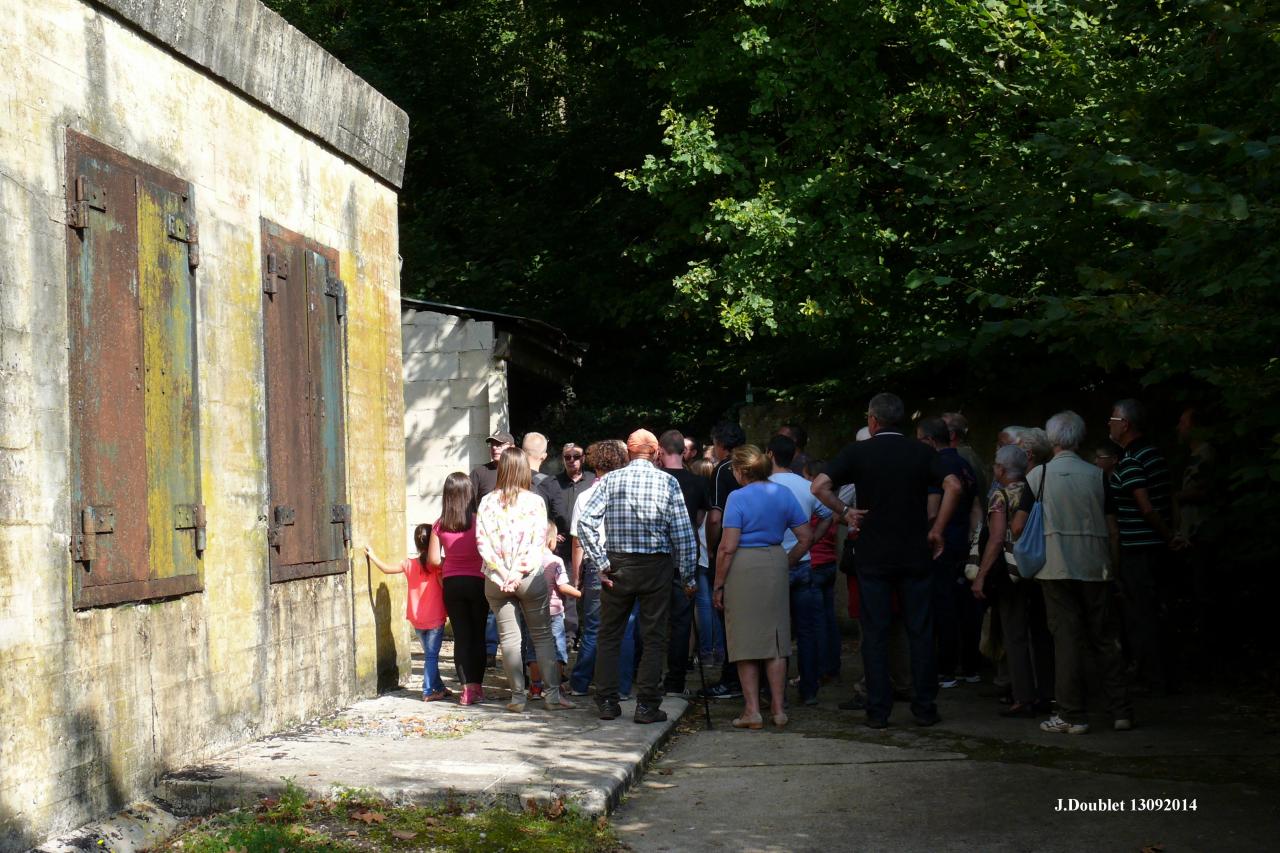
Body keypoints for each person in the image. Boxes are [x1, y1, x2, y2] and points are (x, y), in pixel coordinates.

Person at [812, 393, 963, 729]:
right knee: (920, 631)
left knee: (876, 632)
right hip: (914, 552)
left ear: (873, 421)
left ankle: (878, 710)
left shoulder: (859, 452)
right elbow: (953, 485)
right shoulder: (921, 452)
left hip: (873, 554)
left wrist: (846, 512)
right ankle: (924, 707)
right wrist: (937, 529)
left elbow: (819, 485)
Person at [576, 429, 697, 724]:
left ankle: (606, 701)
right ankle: (646, 706)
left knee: (610, 634)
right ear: (655, 452)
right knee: (654, 636)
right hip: (656, 566)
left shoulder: (611, 480)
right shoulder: (668, 482)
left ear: (629, 452)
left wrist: (601, 562)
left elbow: (585, 523)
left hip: (618, 565)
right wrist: (689, 577)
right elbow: (683, 533)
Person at [1032, 410, 1132, 734]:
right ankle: (1121, 710)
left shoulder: (1038, 476)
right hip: (1095, 563)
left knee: (1067, 640)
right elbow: (1113, 528)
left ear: (1051, 439)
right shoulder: (1097, 475)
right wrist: (1113, 566)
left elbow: (1021, 525)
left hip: (1055, 566)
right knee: (1105, 638)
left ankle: (1072, 713)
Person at [714, 445, 812, 728]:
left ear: (743, 471)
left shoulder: (737, 497)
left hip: (744, 566)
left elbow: (728, 547)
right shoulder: (783, 493)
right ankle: (779, 710)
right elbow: (805, 536)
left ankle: (752, 710)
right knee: (777, 639)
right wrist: (788, 561)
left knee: (744, 640)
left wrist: (718, 584)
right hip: (775, 560)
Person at [475, 447, 575, 712]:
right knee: (542, 636)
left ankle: (517, 698)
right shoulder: (534, 502)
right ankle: (552, 696)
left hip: (496, 580)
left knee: (509, 639)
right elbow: (536, 544)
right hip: (528, 576)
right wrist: (518, 573)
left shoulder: (487, 502)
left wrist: (502, 574)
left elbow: (482, 544)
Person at [971, 445, 1053, 717]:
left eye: (996, 465)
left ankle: (1022, 696)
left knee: (1014, 635)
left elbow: (996, 539)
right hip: (1037, 569)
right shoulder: (1033, 491)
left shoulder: (1000, 495)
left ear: (1002, 470)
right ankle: (1047, 692)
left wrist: (980, 576)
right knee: (1040, 633)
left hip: (1010, 574)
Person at [1108, 398, 1182, 693]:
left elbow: (1146, 507)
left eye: (1112, 419)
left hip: (1140, 549)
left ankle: (1152, 677)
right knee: (1154, 611)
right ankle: (1161, 672)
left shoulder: (1133, 459)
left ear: (1125, 424)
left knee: (1142, 614)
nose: (1109, 424)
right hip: (1154, 547)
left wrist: (1168, 535)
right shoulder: (1154, 454)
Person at [568, 440, 638, 697]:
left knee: (594, 627)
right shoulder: (631, 493)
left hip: (595, 562)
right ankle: (621, 686)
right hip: (627, 563)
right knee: (627, 628)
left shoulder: (585, 496)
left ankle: (580, 682)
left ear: (595, 464)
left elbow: (578, 543)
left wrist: (577, 577)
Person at [767, 434, 832, 705]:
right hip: (803, 562)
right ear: (794, 456)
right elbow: (829, 515)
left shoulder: (762, 487)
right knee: (807, 630)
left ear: (769, 454)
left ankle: (771, 691)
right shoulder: (807, 486)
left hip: (770, 563)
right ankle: (809, 689)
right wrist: (812, 540)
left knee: (771, 630)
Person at [917, 416, 979, 688]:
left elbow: (932, 508)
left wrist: (933, 531)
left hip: (941, 544)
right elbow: (976, 506)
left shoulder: (936, 466)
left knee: (942, 605)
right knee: (964, 605)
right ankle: (969, 666)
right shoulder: (965, 465)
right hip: (961, 543)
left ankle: (945, 669)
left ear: (930, 440)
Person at [364, 525, 450, 701]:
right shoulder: (438, 565)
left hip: (416, 619)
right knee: (432, 656)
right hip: (435, 618)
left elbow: (386, 569)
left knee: (430, 656)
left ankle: (439, 686)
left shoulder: (408, 564)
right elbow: (444, 586)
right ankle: (427, 691)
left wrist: (372, 556)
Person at [658, 429, 711, 695]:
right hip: (685, 556)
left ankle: (649, 677)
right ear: (684, 451)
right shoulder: (697, 483)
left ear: (661, 450)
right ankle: (676, 680)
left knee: (653, 620)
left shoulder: (656, 480)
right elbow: (700, 520)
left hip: (657, 560)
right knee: (681, 621)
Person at [429, 473, 488, 705]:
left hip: (452, 584)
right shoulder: (479, 520)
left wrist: (451, 563)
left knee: (462, 636)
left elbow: (434, 560)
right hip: (478, 581)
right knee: (478, 635)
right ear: (469, 494)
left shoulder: (439, 524)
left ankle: (465, 690)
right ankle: (477, 687)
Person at [699, 420, 748, 700]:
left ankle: (731, 679)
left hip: (731, 548)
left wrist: (713, 546)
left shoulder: (723, 470)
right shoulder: (759, 465)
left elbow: (715, 516)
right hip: (763, 552)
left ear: (720, 445)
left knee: (727, 615)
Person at [524, 523, 582, 697]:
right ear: (550, 540)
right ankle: (555, 687)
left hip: (532, 612)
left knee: (533, 650)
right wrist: (579, 593)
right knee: (557, 649)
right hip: (554, 614)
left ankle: (535, 687)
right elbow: (563, 586)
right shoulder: (556, 561)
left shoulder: (527, 560)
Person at [803, 458, 842, 687]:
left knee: (815, 621)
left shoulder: (813, 500)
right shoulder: (832, 501)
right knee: (829, 619)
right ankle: (832, 666)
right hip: (829, 563)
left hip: (816, 563)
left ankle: (819, 670)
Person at [689, 457, 726, 666]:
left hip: (702, 557)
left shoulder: (699, 501)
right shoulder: (716, 498)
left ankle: (706, 652)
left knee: (704, 605)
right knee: (715, 604)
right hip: (713, 555)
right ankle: (719, 649)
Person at [944, 412, 990, 511]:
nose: (935, 432)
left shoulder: (954, 458)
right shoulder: (971, 454)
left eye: (940, 429)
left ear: (951, 435)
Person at [470, 431, 515, 502]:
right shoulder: (478, 473)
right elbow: (467, 503)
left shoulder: (521, 472)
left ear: (512, 447)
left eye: (499, 444)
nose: (494, 447)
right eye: (492, 444)